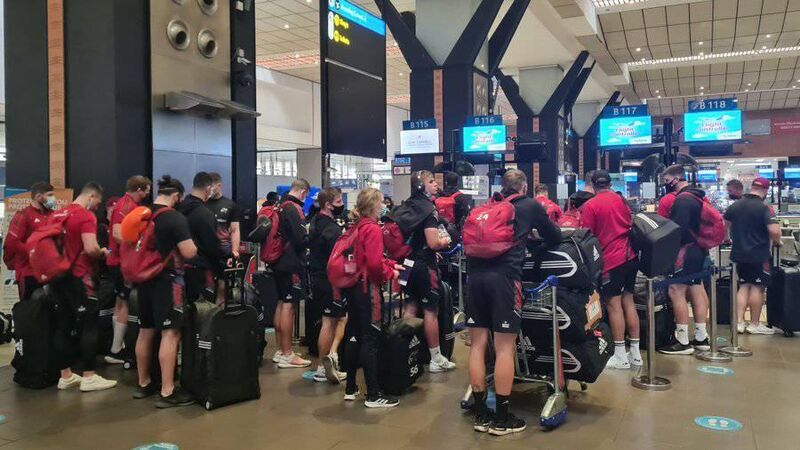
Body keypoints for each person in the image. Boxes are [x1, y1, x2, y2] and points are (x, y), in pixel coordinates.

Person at [467, 169, 561, 436]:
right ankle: (502, 418)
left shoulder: (488, 206)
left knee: (477, 346)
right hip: (504, 280)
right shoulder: (529, 205)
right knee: (505, 348)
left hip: (474, 278)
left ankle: (481, 413)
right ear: (524, 187)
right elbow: (554, 236)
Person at [132, 175, 199, 408]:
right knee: (171, 333)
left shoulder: (142, 213)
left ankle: (144, 382)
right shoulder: (174, 217)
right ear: (177, 196)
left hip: (143, 279)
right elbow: (188, 252)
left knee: (145, 331)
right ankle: (168, 390)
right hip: (167, 281)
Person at [50, 182, 118, 392]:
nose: (97, 207)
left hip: (57, 276)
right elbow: (90, 248)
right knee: (89, 324)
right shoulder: (85, 216)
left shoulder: (58, 214)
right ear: (91, 197)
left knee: (63, 325)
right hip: (79, 277)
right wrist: (102, 252)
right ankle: (89, 376)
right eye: (97, 203)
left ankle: (65, 375)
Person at [341, 188, 402, 407]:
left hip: (353, 286)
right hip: (369, 290)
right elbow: (375, 265)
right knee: (371, 338)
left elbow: (364, 258)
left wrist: (389, 264)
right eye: (381, 202)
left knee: (353, 335)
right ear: (375, 205)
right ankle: (374, 394)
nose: (384, 205)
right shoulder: (373, 229)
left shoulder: (356, 227)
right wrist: (390, 272)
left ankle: (351, 387)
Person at [580, 171, 642, 369]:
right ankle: (636, 353)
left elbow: (586, 236)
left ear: (593, 184)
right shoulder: (621, 200)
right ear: (609, 183)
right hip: (630, 256)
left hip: (611, 261)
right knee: (628, 301)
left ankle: (620, 355)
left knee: (614, 305)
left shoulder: (591, 205)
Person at [399, 170, 456, 373]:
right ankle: (436, 358)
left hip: (405, 265)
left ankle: (403, 352)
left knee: (410, 307)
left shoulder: (406, 206)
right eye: (431, 181)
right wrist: (445, 241)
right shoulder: (429, 210)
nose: (436, 184)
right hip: (424, 266)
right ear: (421, 186)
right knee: (431, 311)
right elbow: (433, 242)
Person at [659, 165, 710, 355]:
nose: (666, 184)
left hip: (684, 252)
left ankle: (682, 340)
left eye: (667, 181)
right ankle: (701, 336)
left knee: (676, 290)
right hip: (699, 249)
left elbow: (676, 230)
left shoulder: (681, 200)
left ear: (677, 178)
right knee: (697, 288)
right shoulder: (698, 196)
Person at [724, 177, 781, 335]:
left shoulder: (735, 205)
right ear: (765, 190)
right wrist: (777, 241)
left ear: (751, 187)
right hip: (759, 254)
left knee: (743, 286)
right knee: (757, 287)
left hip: (739, 253)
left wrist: (727, 238)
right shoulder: (765, 208)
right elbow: (774, 230)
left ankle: (739, 322)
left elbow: (724, 225)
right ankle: (754, 324)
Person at [105, 175, 152, 364]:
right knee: (123, 303)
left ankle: (117, 347)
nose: (148, 194)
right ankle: (116, 350)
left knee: (120, 302)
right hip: (121, 262)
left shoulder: (128, 205)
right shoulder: (125, 206)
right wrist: (138, 246)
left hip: (120, 261)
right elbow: (118, 234)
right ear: (139, 189)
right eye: (147, 190)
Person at [308, 188, 348, 383]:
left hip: (317, 277)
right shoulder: (331, 229)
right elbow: (337, 258)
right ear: (328, 205)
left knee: (335, 319)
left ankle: (329, 361)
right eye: (339, 201)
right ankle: (324, 367)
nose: (342, 205)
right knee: (331, 321)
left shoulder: (315, 222)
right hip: (329, 279)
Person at [272, 179, 311, 369]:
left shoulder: (279, 205)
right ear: (303, 192)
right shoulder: (293, 208)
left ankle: (281, 350)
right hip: (291, 262)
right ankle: (288, 354)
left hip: (278, 261)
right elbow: (300, 239)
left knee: (281, 303)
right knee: (289, 306)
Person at [177, 172, 226, 305]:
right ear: (208, 189)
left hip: (177, 269)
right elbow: (212, 247)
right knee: (202, 312)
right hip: (200, 270)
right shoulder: (205, 214)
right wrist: (221, 270)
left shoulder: (177, 209)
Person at [3, 182, 57, 300]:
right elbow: (12, 243)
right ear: (38, 197)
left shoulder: (53, 215)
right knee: (31, 308)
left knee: (51, 308)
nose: (53, 198)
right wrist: (34, 252)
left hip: (51, 273)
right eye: (50, 195)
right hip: (29, 273)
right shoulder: (23, 215)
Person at [205, 173, 242, 305]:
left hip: (224, 253)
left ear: (219, 186)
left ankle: (220, 313)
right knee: (207, 290)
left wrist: (235, 251)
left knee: (222, 289)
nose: (209, 189)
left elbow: (235, 230)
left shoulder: (230, 205)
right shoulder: (203, 204)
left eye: (212, 186)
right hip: (206, 253)